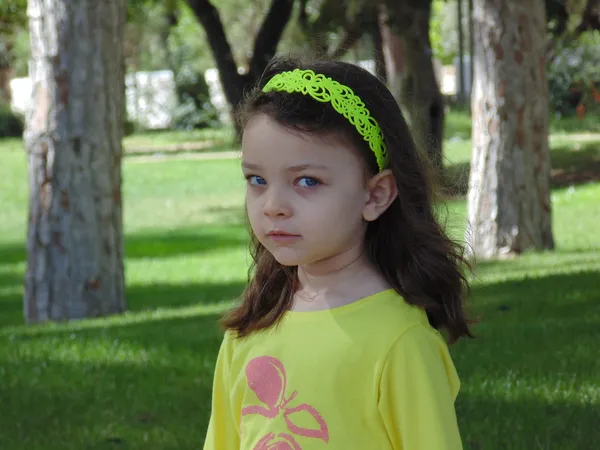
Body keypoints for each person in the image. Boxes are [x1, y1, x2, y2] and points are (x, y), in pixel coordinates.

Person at [203, 56, 473, 450]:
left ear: (376, 194)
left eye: (307, 181)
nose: (273, 204)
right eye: (257, 180)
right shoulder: (251, 329)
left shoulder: (400, 341)